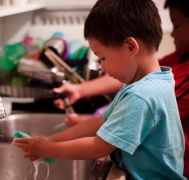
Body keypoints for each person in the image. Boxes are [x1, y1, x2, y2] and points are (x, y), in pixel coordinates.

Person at [12, 0, 185, 179]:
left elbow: (98, 147)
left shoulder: (141, 95)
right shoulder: (155, 82)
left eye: (102, 58)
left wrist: (48, 149)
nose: (103, 67)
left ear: (131, 47)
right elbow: (99, 121)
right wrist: (50, 140)